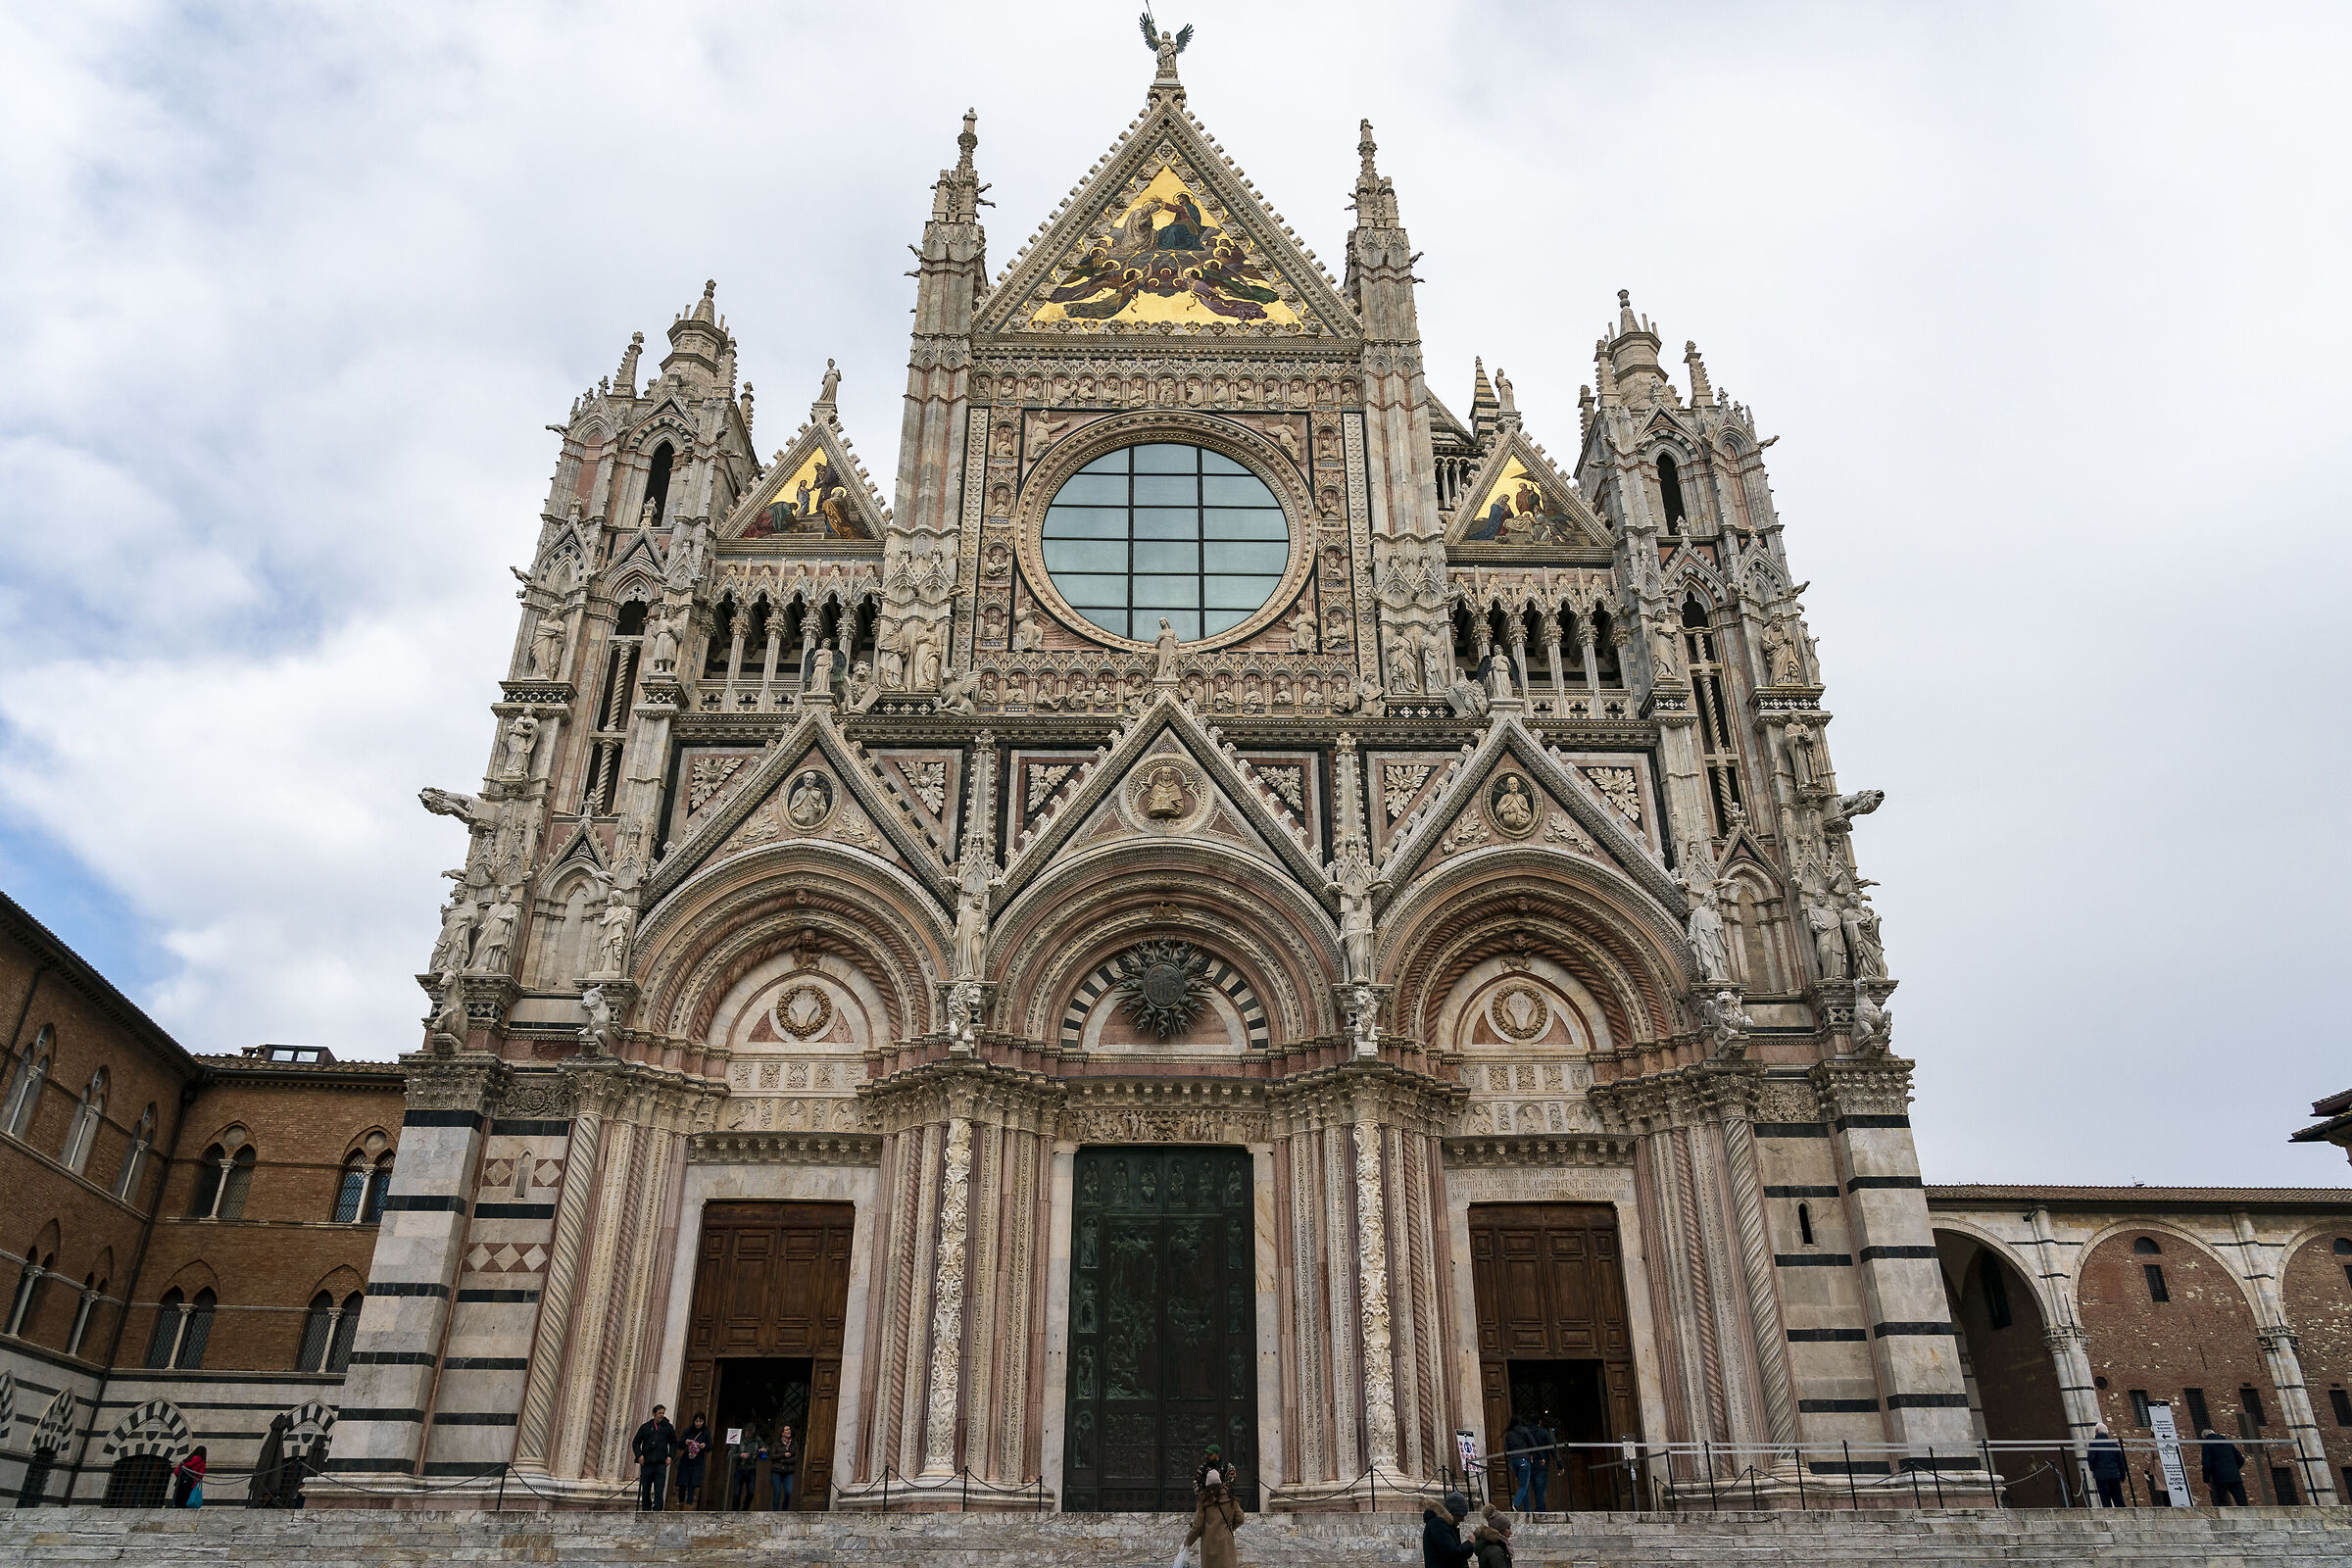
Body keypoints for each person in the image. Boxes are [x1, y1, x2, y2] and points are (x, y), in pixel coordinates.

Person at [1183, 1465, 1245, 1568]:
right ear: (1220, 1482)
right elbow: (1240, 1518)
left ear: (1207, 1484)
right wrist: (1228, 1528)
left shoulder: (1203, 1501)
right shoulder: (1231, 1500)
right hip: (1226, 1546)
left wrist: (1188, 1542)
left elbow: (1197, 1525)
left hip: (1209, 1547)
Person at [630, 1403, 676, 1511]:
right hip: (647, 1462)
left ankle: (658, 1509)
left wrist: (670, 1456)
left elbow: (673, 1443)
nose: (661, 1415)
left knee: (659, 1488)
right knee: (645, 1488)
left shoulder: (668, 1428)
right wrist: (639, 1455)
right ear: (654, 1414)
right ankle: (646, 1509)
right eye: (659, 1413)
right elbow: (636, 1442)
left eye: (663, 1413)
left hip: (660, 1463)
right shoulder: (645, 1427)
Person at [1422, 1492, 1477, 1568]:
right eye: (1461, 1515)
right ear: (1454, 1513)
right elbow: (1452, 1554)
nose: (1462, 1520)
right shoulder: (1438, 1525)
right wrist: (1469, 1543)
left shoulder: (1446, 1525)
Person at [2199, 1427, 2248, 1506]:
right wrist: (2234, 1469)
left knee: (2222, 1502)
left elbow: (2206, 1464)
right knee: (2242, 1502)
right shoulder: (2227, 1442)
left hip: (2219, 1477)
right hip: (2234, 1476)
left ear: (2204, 1437)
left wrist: (2206, 1479)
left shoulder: (2206, 1444)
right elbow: (2241, 1459)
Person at [2085, 1423, 2127, 1507]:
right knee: (2118, 1498)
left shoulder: (2094, 1444)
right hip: (2114, 1475)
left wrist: (2093, 1469)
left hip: (2101, 1475)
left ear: (2096, 1431)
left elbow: (2091, 1459)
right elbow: (2120, 1461)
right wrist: (2122, 1475)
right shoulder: (2113, 1445)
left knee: (2105, 1499)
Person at [675, 1413, 710, 1509]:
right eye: (696, 1421)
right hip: (686, 1460)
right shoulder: (688, 1431)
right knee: (682, 1482)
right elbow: (680, 1444)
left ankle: (689, 1504)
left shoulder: (705, 1433)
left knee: (692, 1484)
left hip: (697, 1461)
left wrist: (704, 1446)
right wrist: (686, 1442)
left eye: (700, 1421)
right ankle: (680, 1502)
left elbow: (710, 1446)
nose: (698, 1423)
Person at [1503, 1413, 1534, 1509]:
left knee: (1524, 1485)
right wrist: (1535, 1455)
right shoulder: (1525, 1431)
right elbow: (1533, 1443)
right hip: (1524, 1459)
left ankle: (1527, 1509)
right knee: (1523, 1486)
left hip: (1513, 1461)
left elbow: (1506, 1450)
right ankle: (1515, 1504)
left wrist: (1509, 1463)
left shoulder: (1509, 1434)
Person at [1528, 1411, 1556, 1512]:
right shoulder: (1543, 1432)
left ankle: (1541, 1508)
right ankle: (1540, 1509)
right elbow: (1552, 1449)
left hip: (1530, 1463)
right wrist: (1559, 1464)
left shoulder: (1526, 1433)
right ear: (1539, 1422)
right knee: (1541, 1488)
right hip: (1542, 1464)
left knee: (1535, 1488)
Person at [731, 1432, 763, 1511]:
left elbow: (765, 1450)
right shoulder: (739, 1439)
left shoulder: (757, 1440)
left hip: (751, 1469)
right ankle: (735, 1511)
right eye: (747, 1432)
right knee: (737, 1493)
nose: (749, 1434)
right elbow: (731, 1454)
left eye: (751, 1432)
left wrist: (763, 1451)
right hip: (740, 1468)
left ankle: (745, 1510)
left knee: (751, 1492)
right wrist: (740, 1455)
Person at [771, 1424, 796, 1512]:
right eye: (786, 1430)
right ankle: (775, 1511)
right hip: (776, 1471)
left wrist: (783, 1460)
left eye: (789, 1429)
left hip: (789, 1471)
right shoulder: (776, 1443)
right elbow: (773, 1456)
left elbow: (796, 1458)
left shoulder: (794, 1444)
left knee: (788, 1492)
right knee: (777, 1492)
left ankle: (784, 1510)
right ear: (782, 1433)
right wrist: (784, 1455)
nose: (789, 1431)